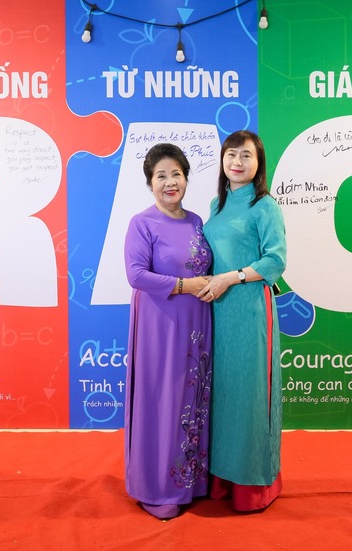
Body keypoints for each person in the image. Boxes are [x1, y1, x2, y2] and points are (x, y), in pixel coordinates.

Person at [123, 143, 213, 520]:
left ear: (186, 179)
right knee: (162, 399)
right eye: (161, 176)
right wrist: (184, 285)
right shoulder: (142, 223)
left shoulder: (197, 221)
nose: (170, 182)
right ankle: (157, 487)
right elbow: (136, 275)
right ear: (150, 184)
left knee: (191, 398)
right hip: (160, 325)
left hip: (198, 325)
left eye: (176, 173)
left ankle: (191, 482)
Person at [199, 130, 286, 512]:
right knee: (224, 394)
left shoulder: (265, 205)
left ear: (258, 163)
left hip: (250, 308)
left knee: (250, 394)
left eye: (246, 155)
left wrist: (230, 278)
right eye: (231, 154)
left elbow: (275, 260)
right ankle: (222, 478)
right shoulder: (216, 204)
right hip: (217, 311)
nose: (237, 161)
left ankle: (252, 485)